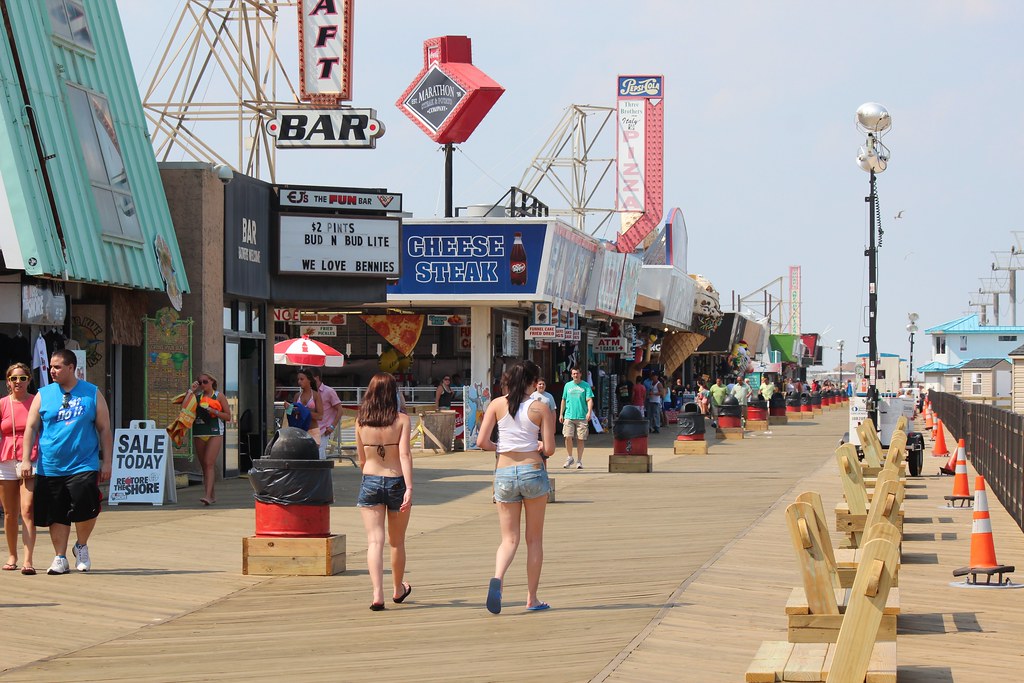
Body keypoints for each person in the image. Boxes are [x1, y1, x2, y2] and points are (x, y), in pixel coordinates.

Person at [19, 349, 112, 574]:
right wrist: (25, 460)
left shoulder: (92, 393)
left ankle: (81, 545)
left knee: (86, 506)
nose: (52, 370)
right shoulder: (43, 394)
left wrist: (107, 461)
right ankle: (60, 557)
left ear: (71, 368)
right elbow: (31, 427)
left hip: (83, 464)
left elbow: (104, 429)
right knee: (56, 512)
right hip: (50, 465)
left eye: (57, 367)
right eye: (51, 366)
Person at [476, 360, 556, 614]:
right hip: (532, 471)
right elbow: (550, 449)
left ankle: (498, 578)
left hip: (504, 472)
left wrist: (501, 447)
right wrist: (539, 446)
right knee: (534, 540)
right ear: (533, 382)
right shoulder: (541, 407)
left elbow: (482, 441)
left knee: (509, 539)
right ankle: (532, 598)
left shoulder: (497, 404)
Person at [355, 373, 413, 611]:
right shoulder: (402, 420)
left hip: (370, 479)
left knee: (374, 541)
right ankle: (398, 589)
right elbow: (404, 455)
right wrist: (409, 487)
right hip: (396, 480)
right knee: (396, 542)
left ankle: (377, 594)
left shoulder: (360, 422)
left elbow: (361, 458)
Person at [1, 363, 37, 574]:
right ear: (8, 381)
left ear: (29, 380)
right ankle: (12, 555)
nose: (18, 382)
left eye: (22, 378)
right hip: (6, 459)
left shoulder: (35, 401)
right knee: (9, 513)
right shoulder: (3, 404)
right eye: (14, 378)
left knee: (27, 509)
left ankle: (28, 560)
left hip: (30, 459)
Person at [189, 371, 231, 506]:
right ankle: (211, 495)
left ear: (212, 381)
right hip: (199, 432)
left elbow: (228, 416)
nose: (202, 385)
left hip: (214, 432)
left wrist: (214, 411)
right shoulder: (197, 397)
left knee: (209, 463)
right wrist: (191, 391)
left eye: (205, 382)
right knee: (204, 466)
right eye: (200, 382)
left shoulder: (219, 396)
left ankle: (207, 496)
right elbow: (184, 407)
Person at [559, 367, 593, 469]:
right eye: (573, 374)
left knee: (580, 439)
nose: (575, 375)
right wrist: (561, 414)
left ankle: (579, 460)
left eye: (577, 373)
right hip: (569, 415)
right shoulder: (567, 385)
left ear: (580, 374)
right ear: (571, 375)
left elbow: (589, 400)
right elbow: (563, 400)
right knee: (567, 436)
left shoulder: (586, 386)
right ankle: (570, 457)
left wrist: (589, 412)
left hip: (581, 416)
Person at [287, 368, 323, 445]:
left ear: (309, 380)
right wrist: (288, 408)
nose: (299, 382)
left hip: (313, 431)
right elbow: (290, 414)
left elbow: (320, 416)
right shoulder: (297, 395)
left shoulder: (316, 395)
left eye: (302, 379)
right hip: (299, 431)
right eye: (298, 379)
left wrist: (302, 410)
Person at [312, 369, 342, 460]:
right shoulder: (309, 392)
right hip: (311, 428)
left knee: (319, 454)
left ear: (316, 378)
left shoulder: (329, 391)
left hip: (323, 429)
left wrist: (332, 426)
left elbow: (340, 410)